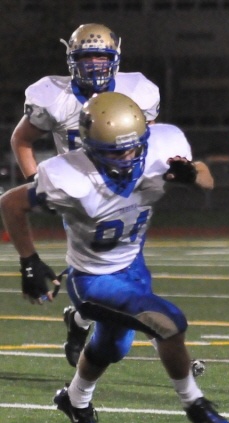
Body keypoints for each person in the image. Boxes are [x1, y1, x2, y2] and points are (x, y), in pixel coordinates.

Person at [0, 91, 229, 423]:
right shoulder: (69, 175)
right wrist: (29, 260)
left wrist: (191, 174)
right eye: (114, 152)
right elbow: (11, 203)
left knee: (111, 349)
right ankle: (195, 403)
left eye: (132, 148)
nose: (126, 158)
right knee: (168, 324)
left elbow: (208, 180)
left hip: (132, 269)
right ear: (90, 147)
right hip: (92, 281)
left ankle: (75, 401)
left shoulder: (161, 147)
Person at [9, 23, 205, 377]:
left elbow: (149, 138)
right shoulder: (53, 97)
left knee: (120, 266)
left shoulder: (138, 92)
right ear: (71, 60)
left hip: (124, 186)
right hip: (82, 187)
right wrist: (37, 183)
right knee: (115, 267)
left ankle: (84, 316)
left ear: (116, 59)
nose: (95, 65)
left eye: (102, 56)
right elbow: (22, 141)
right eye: (86, 57)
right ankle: (160, 338)